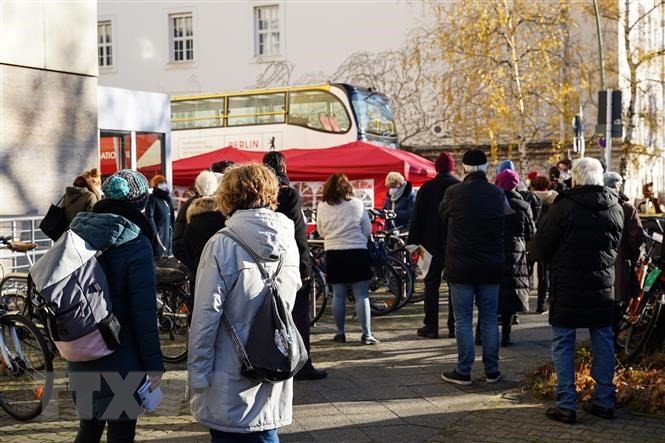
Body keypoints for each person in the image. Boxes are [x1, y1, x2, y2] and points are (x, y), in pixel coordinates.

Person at [188, 163, 301, 442]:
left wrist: (198, 375)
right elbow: (291, 294)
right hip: (274, 356)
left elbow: (205, 315)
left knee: (232, 434)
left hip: (230, 365)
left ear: (227, 195)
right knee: (265, 430)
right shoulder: (288, 240)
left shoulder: (222, 244)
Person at [68, 169, 164, 443]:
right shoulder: (136, 244)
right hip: (122, 355)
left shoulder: (76, 233)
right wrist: (154, 365)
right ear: (139, 203)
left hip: (80, 349)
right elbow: (143, 315)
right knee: (121, 431)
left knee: (89, 427)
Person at [530, 158, 623, 424]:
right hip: (602, 286)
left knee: (563, 343)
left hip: (567, 285)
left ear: (576, 178)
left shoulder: (564, 207)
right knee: (603, 340)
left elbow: (541, 246)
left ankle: (566, 404)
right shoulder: (615, 206)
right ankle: (605, 400)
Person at [439, 149, 505, 385]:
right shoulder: (497, 193)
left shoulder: (454, 192)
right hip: (491, 265)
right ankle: (492, 370)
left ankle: (464, 370)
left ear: (464, 168)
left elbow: (442, 216)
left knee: (463, 320)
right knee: (489, 320)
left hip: (461, 265)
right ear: (486, 167)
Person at [263, 151, 328, 380]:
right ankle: (302, 363)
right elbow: (297, 234)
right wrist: (305, 267)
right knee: (299, 315)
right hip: (291, 263)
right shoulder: (288, 194)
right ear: (284, 167)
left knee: (272, 315)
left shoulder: (262, 192)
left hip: (266, 263)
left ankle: (276, 360)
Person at [316, 173, 379, 345]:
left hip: (334, 252)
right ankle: (366, 334)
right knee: (361, 295)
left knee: (338, 295)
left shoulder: (322, 206)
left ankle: (340, 332)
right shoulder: (357, 204)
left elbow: (321, 231)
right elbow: (367, 229)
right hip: (357, 251)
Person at [408, 152, 461, 339]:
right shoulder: (459, 187)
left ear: (437, 168)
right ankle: (454, 325)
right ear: (452, 167)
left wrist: (412, 244)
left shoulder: (427, 188)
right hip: (455, 243)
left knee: (431, 285)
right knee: (455, 284)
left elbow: (417, 218)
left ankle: (431, 325)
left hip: (428, 244)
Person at [495, 170, 535, 346]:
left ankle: (481, 333)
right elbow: (531, 232)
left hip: (494, 249)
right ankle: (506, 335)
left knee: (490, 293)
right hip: (516, 252)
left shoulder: (492, 203)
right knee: (511, 293)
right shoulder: (523, 205)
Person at [604, 171, 644, 331]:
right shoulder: (626, 208)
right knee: (618, 302)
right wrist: (634, 259)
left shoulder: (594, 205)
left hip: (598, 263)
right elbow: (636, 238)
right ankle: (611, 339)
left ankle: (603, 341)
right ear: (618, 187)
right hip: (620, 261)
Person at [172, 163, 229, 263]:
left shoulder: (191, 205)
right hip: (212, 270)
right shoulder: (224, 210)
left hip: (199, 270)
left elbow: (179, 244)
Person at [181, 171, 226, 278]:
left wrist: (195, 266)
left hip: (198, 272)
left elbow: (185, 245)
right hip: (222, 271)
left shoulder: (192, 216)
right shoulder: (224, 216)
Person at [530, 176, 558, 314]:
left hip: (532, 238)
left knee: (526, 271)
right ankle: (542, 304)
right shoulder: (556, 199)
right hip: (549, 237)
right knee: (545, 273)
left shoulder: (529, 198)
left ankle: (520, 304)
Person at [145, 175, 175, 258]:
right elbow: (149, 217)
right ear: (156, 185)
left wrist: (173, 230)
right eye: (160, 183)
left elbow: (172, 217)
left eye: (164, 183)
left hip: (168, 237)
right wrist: (155, 234)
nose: (163, 185)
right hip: (159, 237)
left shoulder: (167, 199)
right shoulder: (152, 199)